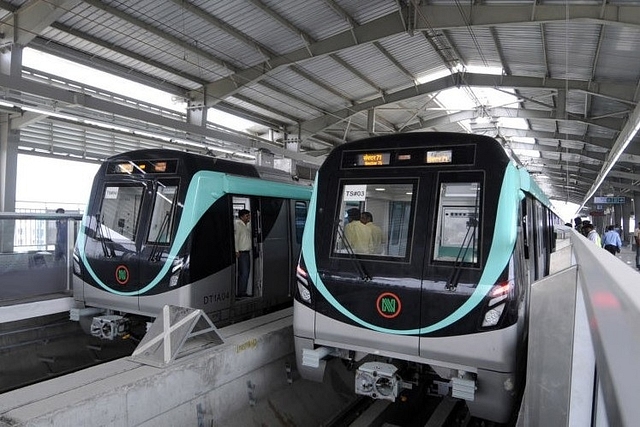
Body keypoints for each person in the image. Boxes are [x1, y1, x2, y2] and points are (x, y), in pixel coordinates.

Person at [234, 209, 252, 297]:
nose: (249, 217)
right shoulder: (238, 225)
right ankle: (241, 292)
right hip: (241, 252)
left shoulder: (247, 225)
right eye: (247, 216)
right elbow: (236, 239)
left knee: (245, 272)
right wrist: (236, 251)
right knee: (244, 273)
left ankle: (242, 291)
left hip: (247, 252)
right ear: (241, 217)